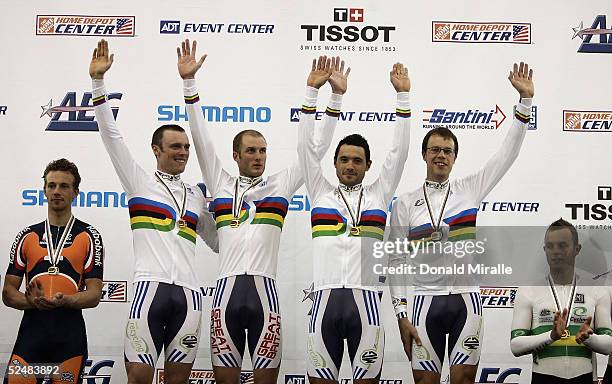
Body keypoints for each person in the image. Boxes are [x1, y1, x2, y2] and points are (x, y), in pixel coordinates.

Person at [178, 39, 342, 384]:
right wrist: (189, 83)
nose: (258, 156)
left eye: (263, 151)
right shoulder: (220, 182)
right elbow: (200, 135)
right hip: (225, 295)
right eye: (251, 151)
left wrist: (326, 96)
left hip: (265, 295)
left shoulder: (280, 186)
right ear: (236, 155)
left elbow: (316, 150)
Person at [388, 62, 535, 384]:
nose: (441, 156)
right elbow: (396, 262)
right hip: (424, 304)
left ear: (455, 158)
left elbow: (506, 155)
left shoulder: (470, 189)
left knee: (465, 380)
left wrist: (525, 102)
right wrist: (401, 314)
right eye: (435, 150)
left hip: (466, 301)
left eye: (448, 151)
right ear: (424, 156)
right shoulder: (404, 203)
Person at [89, 39, 219, 384]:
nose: (183, 152)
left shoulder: (196, 196)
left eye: (187, 147)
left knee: (178, 380)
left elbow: (220, 243)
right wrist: (98, 84)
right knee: (139, 379)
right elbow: (111, 137)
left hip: (190, 297)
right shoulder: (139, 183)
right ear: (156, 150)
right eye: (175, 146)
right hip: (149, 291)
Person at [298, 61, 411, 383]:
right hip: (324, 305)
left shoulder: (379, 193)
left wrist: (402, 97)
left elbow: (399, 154)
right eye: (344, 159)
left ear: (368, 165)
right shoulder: (319, 190)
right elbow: (304, 148)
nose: (350, 165)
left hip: (367, 307)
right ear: (333, 163)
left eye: (357, 160)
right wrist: (312, 92)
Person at [2, 158, 104, 384]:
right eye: (52, 185)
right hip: (32, 333)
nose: (57, 191)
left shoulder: (89, 236)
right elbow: (8, 292)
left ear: (76, 192)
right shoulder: (26, 236)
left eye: (64, 186)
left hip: (69, 336)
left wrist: (64, 300)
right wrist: (33, 302)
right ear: (44, 190)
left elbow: (94, 294)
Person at [510, 219, 612, 384]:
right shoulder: (528, 291)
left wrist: (589, 339)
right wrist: (551, 336)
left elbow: (609, 345)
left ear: (577, 249)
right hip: (543, 379)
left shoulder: (597, 290)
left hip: (583, 379)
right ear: (545, 250)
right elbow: (516, 345)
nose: (555, 251)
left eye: (563, 245)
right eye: (550, 246)